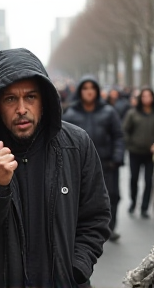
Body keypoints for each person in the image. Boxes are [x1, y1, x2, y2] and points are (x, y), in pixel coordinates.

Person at [0, 48, 111, 288]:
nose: (22, 108)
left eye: (31, 97)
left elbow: (96, 216)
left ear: (44, 100)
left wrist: (76, 268)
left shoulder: (76, 144)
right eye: (10, 99)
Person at [63, 76, 124, 242]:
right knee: (80, 197)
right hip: (80, 165)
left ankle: (110, 228)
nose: (89, 91)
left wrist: (117, 158)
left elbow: (118, 136)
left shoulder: (109, 112)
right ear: (80, 91)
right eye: (85, 88)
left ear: (97, 91)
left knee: (112, 196)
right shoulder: (70, 114)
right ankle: (82, 230)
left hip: (107, 163)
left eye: (92, 88)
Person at [122, 87, 154, 219]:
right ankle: (133, 202)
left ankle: (145, 207)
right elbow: (125, 131)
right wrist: (130, 144)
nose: (146, 99)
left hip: (150, 154)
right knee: (134, 179)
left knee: (148, 180)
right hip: (135, 152)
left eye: (149, 96)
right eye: (144, 96)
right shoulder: (132, 113)